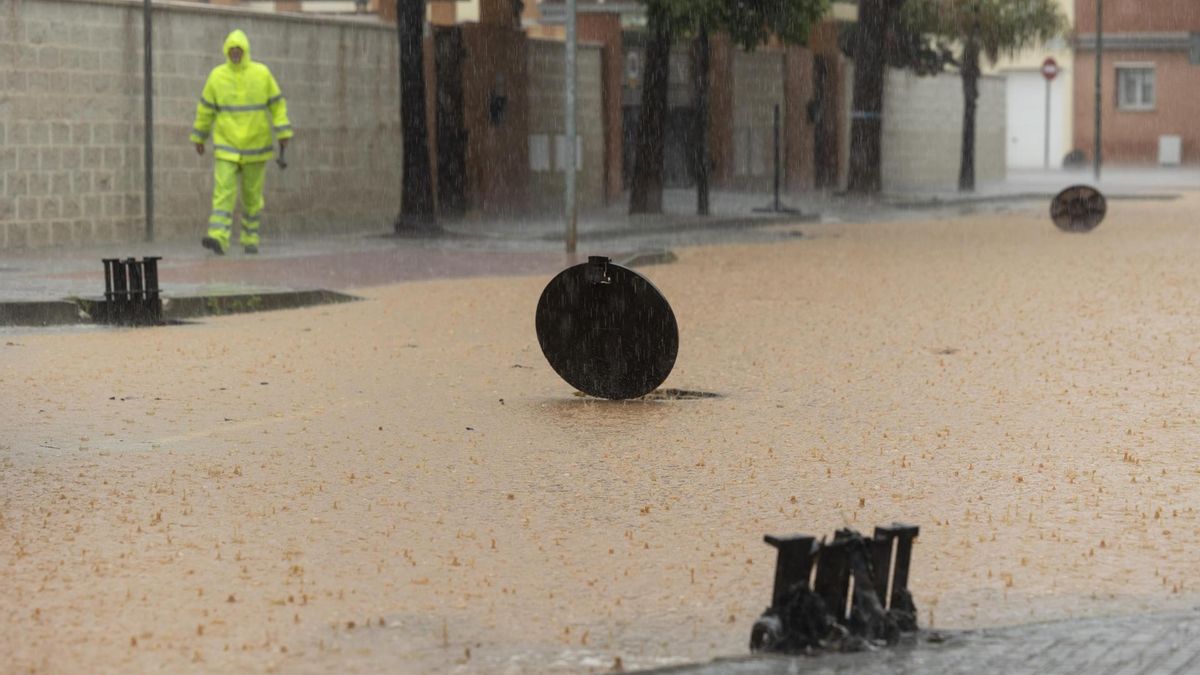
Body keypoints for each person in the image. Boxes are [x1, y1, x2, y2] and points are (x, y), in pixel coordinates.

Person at [190, 29, 293, 255]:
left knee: (251, 197)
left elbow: (277, 104)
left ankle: (250, 238)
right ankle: (218, 238)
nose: (235, 53)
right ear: (226, 51)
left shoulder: (261, 74)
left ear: (245, 51)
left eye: (239, 50)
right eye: (232, 50)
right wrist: (199, 136)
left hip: (255, 147)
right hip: (227, 146)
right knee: (223, 193)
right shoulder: (217, 77)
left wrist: (283, 131)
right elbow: (205, 109)